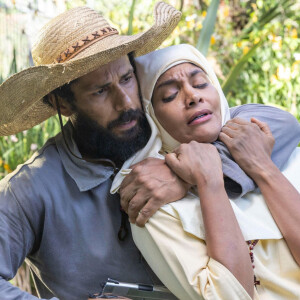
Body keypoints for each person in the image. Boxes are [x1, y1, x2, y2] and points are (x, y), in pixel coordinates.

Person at [0, 4, 185, 299]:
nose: (125, 103)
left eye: (126, 78)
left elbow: (278, 127)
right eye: (100, 91)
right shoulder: (29, 189)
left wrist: (188, 174)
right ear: (62, 104)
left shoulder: (174, 128)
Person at [112, 44, 300, 300]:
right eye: (169, 96)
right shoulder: (152, 200)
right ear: (150, 116)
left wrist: (261, 167)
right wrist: (207, 181)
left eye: (201, 83)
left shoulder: (278, 152)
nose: (192, 96)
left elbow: (288, 122)